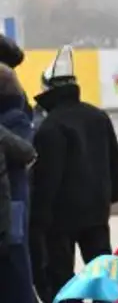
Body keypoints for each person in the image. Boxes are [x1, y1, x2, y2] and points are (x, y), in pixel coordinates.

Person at [28, 46, 118, 302]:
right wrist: (113, 194)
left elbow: (48, 179)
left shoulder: (51, 126)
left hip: (60, 219)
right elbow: (114, 159)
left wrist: (39, 219)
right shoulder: (98, 116)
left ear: (48, 89)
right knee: (104, 271)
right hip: (96, 210)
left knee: (63, 280)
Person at [0, 64, 38, 303]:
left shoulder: (15, 118)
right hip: (9, 200)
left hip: (11, 201)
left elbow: (27, 153)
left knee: (15, 265)